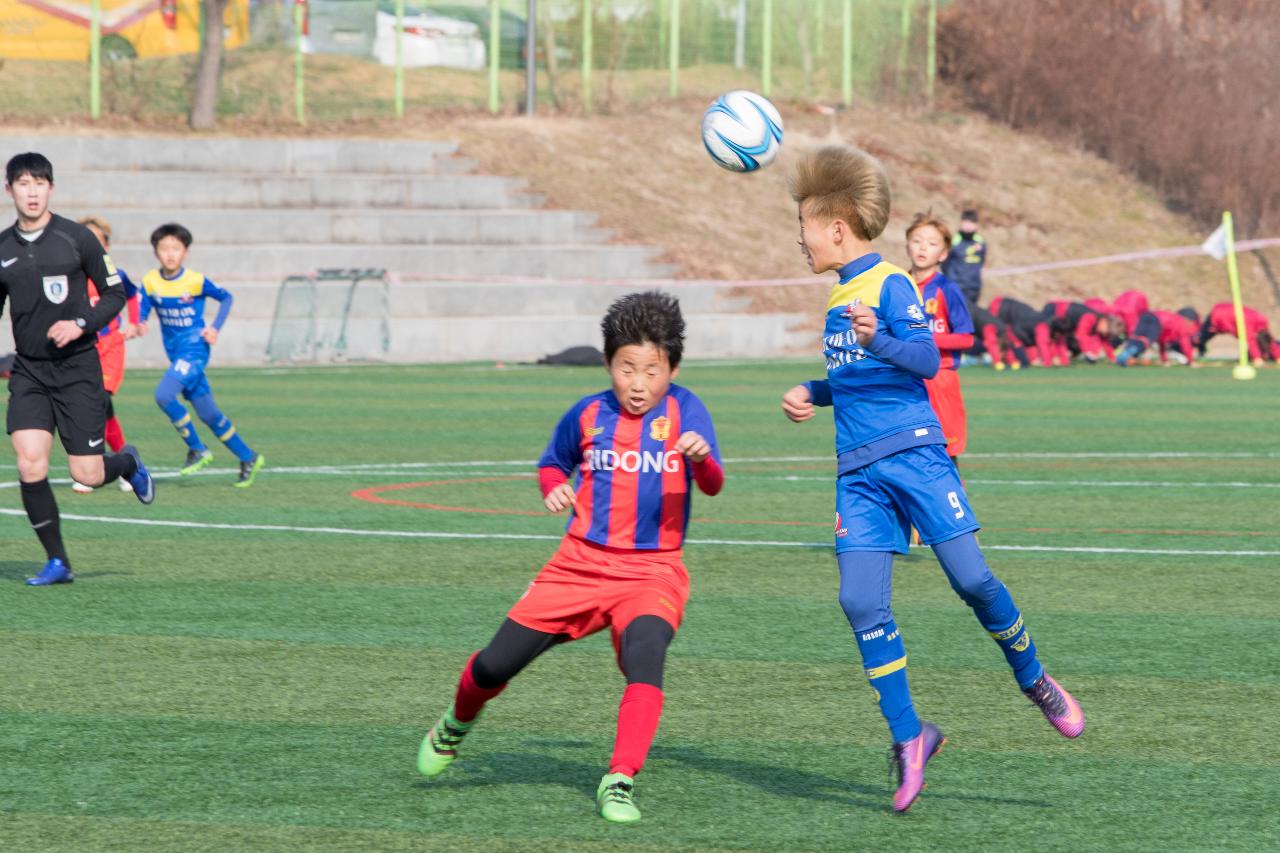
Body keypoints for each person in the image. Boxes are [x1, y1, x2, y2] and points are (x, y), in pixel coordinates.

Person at [780, 145, 1084, 813]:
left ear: (836, 226)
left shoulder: (892, 284)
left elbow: (920, 359)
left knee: (972, 579)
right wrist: (814, 389)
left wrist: (877, 338)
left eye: (802, 222)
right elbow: (860, 376)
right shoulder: (838, 296)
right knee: (860, 602)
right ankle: (910, 734)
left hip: (915, 457)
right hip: (857, 472)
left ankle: (1033, 677)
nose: (797, 236)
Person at [415, 292, 724, 825]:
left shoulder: (686, 410)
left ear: (672, 368)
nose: (638, 383)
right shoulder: (586, 413)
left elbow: (714, 483)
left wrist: (702, 460)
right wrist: (553, 487)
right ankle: (455, 724)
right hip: (577, 564)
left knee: (647, 658)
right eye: (626, 368)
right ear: (608, 364)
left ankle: (620, 780)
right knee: (494, 665)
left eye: (652, 371)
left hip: (652, 570)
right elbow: (552, 464)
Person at [0, 152, 155, 586]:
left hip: (77, 369)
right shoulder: (2, 248)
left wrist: (80, 323)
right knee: (30, 465)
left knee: (86, 472)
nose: (31, 192)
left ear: (51, 188)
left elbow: (115, 292)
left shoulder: (76, 239)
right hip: (29, 372)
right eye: (23, 184)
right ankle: (58, 562)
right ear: (9, 189)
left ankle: (127, 463)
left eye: (39, 183)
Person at [136, 223, 265, 487]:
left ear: (185, 252)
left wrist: (214, 328)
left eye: (176, 248)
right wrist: (140, 322)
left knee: (163, 395)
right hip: (176, 354)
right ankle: (248, 456)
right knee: (210, 415)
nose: (170, 254)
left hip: (195, 350)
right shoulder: (151, 281)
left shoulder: (194, 280)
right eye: (164, 249)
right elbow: (143, 306)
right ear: (155, 252)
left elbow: (226, 297)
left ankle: (197, 448)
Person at [71, 216, 140, 494]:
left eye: (97, 241)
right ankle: (127, 462)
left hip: (111, 346)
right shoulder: (71, 278)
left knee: (97, 401)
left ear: (106, 246)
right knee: (104, 409)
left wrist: (135, 323)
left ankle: (93, 467)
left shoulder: (115, 274)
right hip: (85, 349)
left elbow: (134, 295)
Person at [906, 212, 975, 460]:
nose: (923, 247)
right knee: (906, 456)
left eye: (932, 243)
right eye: (917, 240)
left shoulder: (947, 289)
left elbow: (966, 338)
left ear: (943, 254)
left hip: (939, 380)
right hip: (904, 382)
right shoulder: (896, 286)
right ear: (907, 245)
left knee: (945, 456)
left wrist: (923, 339)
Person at [1198, 302, 1280, 366]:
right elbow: (1251, 339)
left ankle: (1198, 349)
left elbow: (1269, 341)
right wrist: (1257, 358)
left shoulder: (1261, 323)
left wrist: (1278, 357)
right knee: (1202, 336)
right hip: (1218, 315)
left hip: (1224, 314)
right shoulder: (1250, 323)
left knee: (1204, 335)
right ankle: (1193, 351)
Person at [988, 295, 1059, 366]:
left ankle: (1002, 359)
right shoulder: (1041, 324)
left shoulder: (1036, 319)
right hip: (1000, 308)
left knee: (1005, 338)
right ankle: (999, 359)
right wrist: (1046, 361)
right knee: (1000, 337)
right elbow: (1040, 342)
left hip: (1001, 305)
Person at [941, 208, 987, 307]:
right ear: (961, 223)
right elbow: (944, 263)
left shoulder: (980, 242)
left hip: (973, 287)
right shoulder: (954, 241)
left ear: (977, 225)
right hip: (956, 287)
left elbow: (982, 261)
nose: (969, 226)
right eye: (966, 222)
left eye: (972, 222)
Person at [1045, 300, 1115, 363]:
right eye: (1107, 332)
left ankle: (1061, 359)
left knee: (1069, 343)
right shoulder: (1090, 317)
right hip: (1054, 309)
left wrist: (1113, 358)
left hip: (1064, 321)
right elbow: (1081, 335)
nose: (1105, 334)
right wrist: (1088, 352)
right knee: (1049, 337)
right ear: (1104, 322)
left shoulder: (1099, 323)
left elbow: (1105, 342)